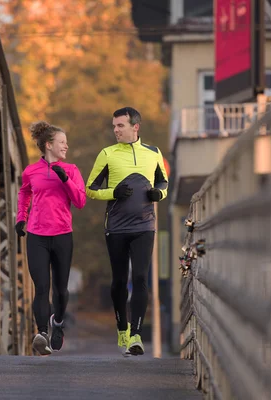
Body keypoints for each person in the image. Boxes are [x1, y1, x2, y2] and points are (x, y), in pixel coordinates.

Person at [86, 107, 168, 356]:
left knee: (141, 278)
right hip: (117, 227)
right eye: (114, 126)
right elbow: (90, 188)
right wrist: (113, 193)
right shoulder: (107, 154)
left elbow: (163, 182)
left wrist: (159, 194)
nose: (116, 130)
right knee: (120, 280)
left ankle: (136, 335)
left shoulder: (153, 153)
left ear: (135, 127)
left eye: (120, 126)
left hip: (145, 225)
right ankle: (122, 328)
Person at [16, 121, 86, 355]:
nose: (66, 146)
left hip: (62, 235)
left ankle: (58, 324)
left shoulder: (72, 170)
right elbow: (25, 192)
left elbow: (80, 201)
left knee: (60, 290)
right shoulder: (30, 171)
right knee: (41, 287)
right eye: (62, 142)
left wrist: (64, 179)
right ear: (49, 145)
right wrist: (20, 218)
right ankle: (42, 333)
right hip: (36, 235)